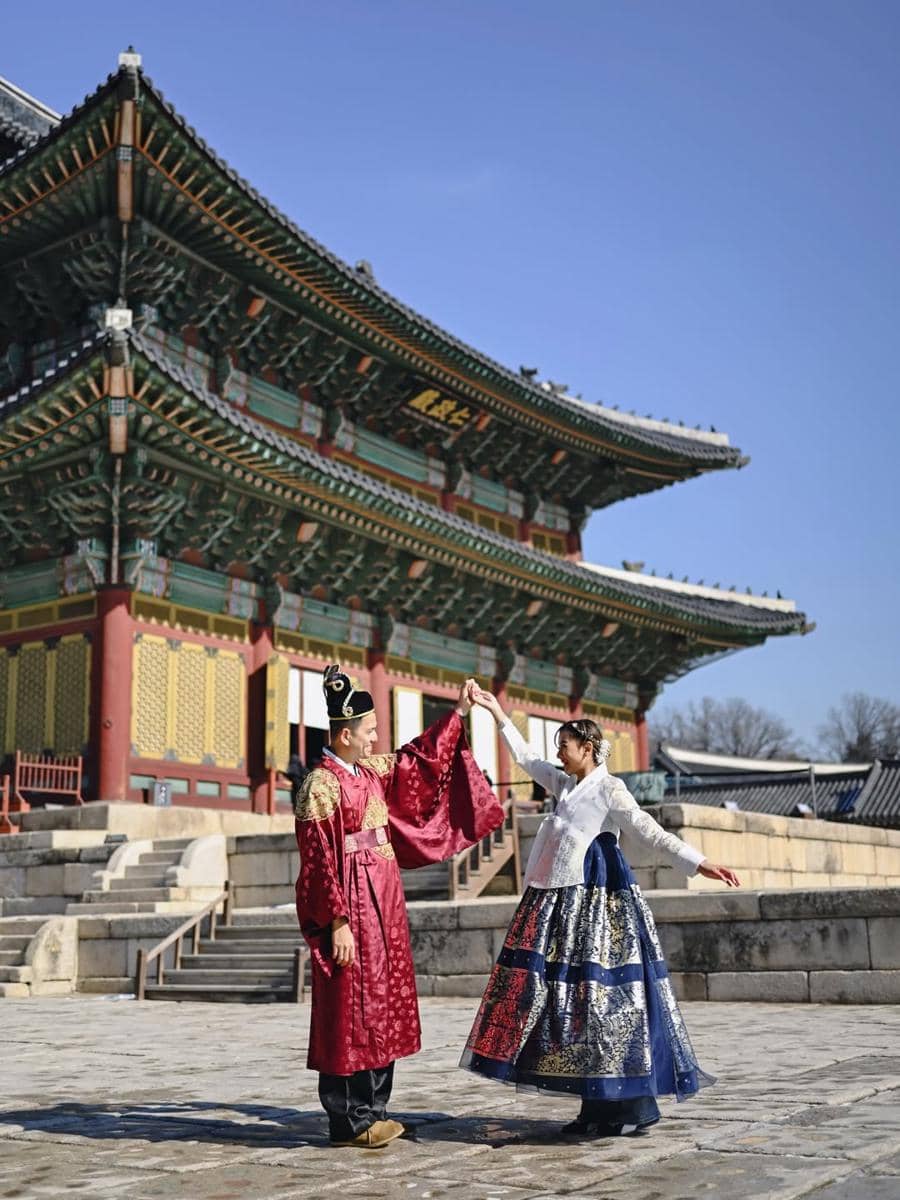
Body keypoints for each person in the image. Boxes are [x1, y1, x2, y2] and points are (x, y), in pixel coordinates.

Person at [460, 687, 740, 1139]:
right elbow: (529, 760)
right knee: (568, 1005)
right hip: (559, 904)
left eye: (565, 747)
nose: (559, 754)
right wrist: (497, 712)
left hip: (598, 910)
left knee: (602, 1003)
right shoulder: (566, 785)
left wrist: (697, 861)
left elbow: (649, 831)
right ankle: (595, 1105)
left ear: (587, 748)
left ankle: (615, 1106)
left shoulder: (610, 789)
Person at [294, 666, 504, 1149]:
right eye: (368, 732)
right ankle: (350, 1119)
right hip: (351, 906)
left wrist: (457, 713)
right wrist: (337, 922)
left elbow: (419, 760)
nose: (374, 740)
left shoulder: (369, 773)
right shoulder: (319, 786)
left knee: (382, 1004)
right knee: (350, 1009)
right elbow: (319, 863)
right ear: (344, 735)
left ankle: (377, 1109)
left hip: (384, 906)